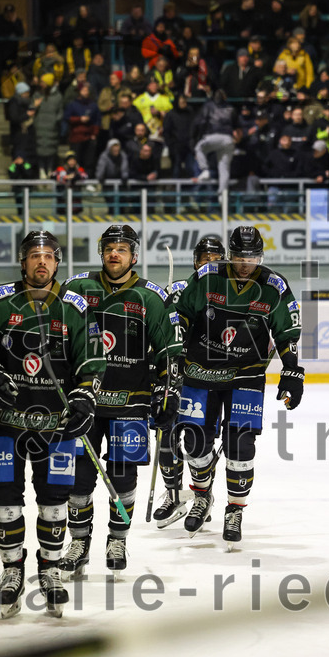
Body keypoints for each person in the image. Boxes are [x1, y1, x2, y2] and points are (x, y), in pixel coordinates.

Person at [0, 231, 106, 618]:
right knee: (5, 499)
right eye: (34, 256)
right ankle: (11, 571)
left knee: (54, 500)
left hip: (54, 425)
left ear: (58, 263)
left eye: (49, 257)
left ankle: (51, 569)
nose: (42, 263)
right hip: (1, 422)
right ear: (22, 262)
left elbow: (91, 361)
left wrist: (85, 395)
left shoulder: (74, 307)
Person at [59, 226, 181, 577]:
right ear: (101, 253)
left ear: (134, 255)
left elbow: (170, 352)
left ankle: (118, 538)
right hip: (84, 399)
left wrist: (168, 390)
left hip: (132, 399)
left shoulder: (150, 297)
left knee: (123, 475)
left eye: (122, 249)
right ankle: (79, 542)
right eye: (109, 248)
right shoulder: (78, 288)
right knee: (79, 476)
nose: (115, 254)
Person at [173, 227, 304, 547]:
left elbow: (287, 331)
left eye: (253, 258)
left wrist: (292, 370)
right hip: (199, 370)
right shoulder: (207, 276)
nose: (246, 264)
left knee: (240, 445)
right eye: (240, 257)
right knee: (194, 439)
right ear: (229, 254)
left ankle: (235, 508)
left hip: (246, 373)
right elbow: (181, 315)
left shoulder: (273, 285)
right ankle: (202, 496)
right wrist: (175, 354)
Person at [151, 237, 226, 527]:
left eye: (215, 258)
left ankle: (202, 496)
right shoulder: (180, 290)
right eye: (203, 257)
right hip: (174, 373)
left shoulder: (228, 294)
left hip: (205, 377)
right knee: (166, 434)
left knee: (198, 440)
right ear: (195, 261)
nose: (208, 262)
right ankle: (172, 493)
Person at [192, 89, 240, 194]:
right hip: (228, 139)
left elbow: (201, 122)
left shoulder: (208, 105)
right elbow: (237, 127)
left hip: (213, 135)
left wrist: (198, 138)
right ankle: (222, 194)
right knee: (224, 168)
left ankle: (205, 170)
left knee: (198, 148)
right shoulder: (231, 108)